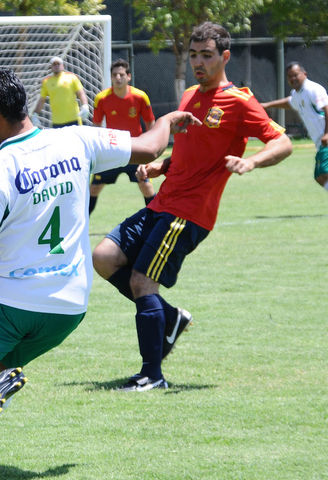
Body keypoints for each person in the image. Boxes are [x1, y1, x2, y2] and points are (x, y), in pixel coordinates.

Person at [0, 66, 199, 467]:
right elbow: (149, 147)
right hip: (68, 307)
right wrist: (168, 120)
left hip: (7, 302)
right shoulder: (78, 139)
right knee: (0, 369)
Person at [92, 22, 293, 392]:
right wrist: (161, 166)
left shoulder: (239, 101)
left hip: (189, 214)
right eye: (194, 55)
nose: (199, 62)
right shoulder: (188, 96)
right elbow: (190, 149)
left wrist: (251, 161)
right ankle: (168, 317)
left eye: (207, 55)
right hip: (163, 202)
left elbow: (282, 142)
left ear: (224, 57)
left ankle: (152, 375)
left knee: (142, 281)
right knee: (104, 257)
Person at [261, 62, 328, 215]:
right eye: (290, 76)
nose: (293, 78)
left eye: (296, 75)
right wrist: (266, 105)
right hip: (322, 139)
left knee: (326, 170)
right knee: (319, 176)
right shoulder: (297, 93)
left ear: (304, 74)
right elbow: (290, 102)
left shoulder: (313, 89)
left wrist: (327, 133)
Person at [90, 58, 156, 214]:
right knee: (94, 188)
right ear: (111, 77)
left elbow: (150, 123)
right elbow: (97, 126)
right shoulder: (101, 98)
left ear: (129, 77)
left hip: (135, 149)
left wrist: (149, 147)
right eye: (114, 75)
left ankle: (155, 220)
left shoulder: (140, 96)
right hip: (112, 150)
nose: (118, 78)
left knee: (146, 186)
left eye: (121, 75)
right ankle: (82, 223)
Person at [32, 56, 90, 128]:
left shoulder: (72, 77)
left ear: (62, 65)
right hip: (57, 121)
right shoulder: (46, 81)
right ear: (51, 67)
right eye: (54, 64)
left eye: (58, 64)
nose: (56, 66)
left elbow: (81, 93)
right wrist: (35, 114)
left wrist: (85, 105)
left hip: (74, 119)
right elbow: (42, 100)